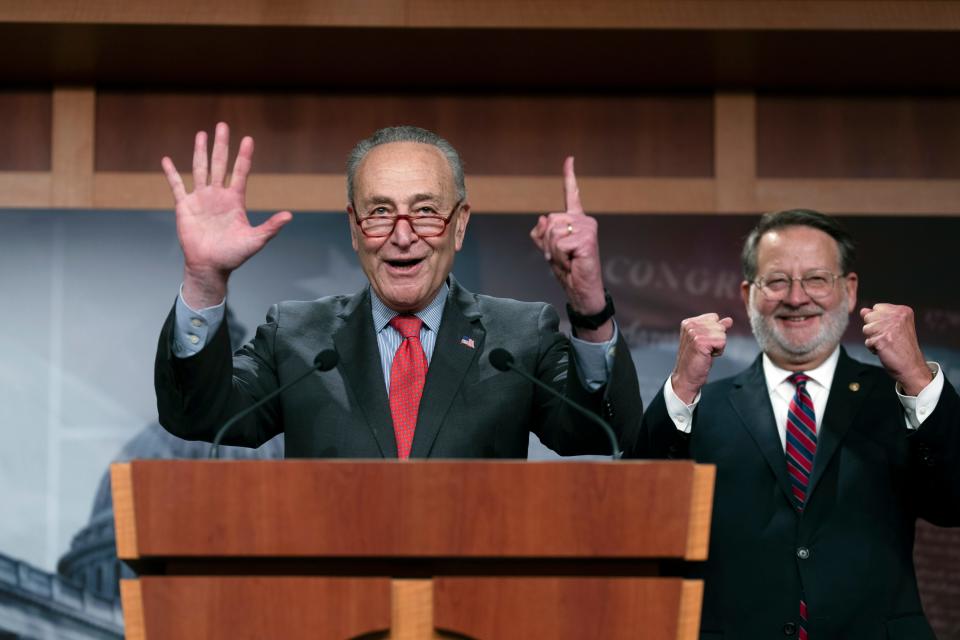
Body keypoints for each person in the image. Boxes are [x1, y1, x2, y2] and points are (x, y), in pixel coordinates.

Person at [154, 122, 641, 458]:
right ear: (353, 227)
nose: (402, 235)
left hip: (473, 603)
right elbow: (199, 416)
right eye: (380, 211)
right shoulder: (297, 337)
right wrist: (205, 279)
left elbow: (599, 430)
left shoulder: (517, 336)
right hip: (336, 602)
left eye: (426, 210)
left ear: (459, 225)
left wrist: (589, 304)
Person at [623, 209, 960, 639]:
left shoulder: (901, 398)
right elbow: (637, 518)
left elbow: (954, 503)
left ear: (850, 290)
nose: (797, 298)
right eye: (777, 281)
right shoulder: (700, 408)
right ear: (748, 293)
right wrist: (683, 384)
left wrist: (917, 376)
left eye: (817, 279)